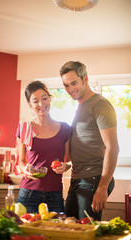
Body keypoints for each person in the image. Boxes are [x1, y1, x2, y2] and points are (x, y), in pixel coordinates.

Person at [59, 60, 119, 221]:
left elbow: (113, 147)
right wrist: (67, 165)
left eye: (74, 83)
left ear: (85, 78)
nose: (70, 89)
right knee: (70, 227)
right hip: (77, 177)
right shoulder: (80, 107)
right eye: (66, 85)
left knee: (86, 232)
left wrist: (102, 187)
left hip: (94, 178)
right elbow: (86, 147)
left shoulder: (100, 105)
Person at [16, 80, 72, 213]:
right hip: (28, 193)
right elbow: (21, 162)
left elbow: (70, 161)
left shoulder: (65, 129)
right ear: (30, 104)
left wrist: (65, 166)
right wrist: (25, 170)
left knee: (55, 233)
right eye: (35, 101)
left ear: (50, 99)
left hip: (55, 195)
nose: (41, 104)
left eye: (44, 98)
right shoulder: (25, 128)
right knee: (25, 232)